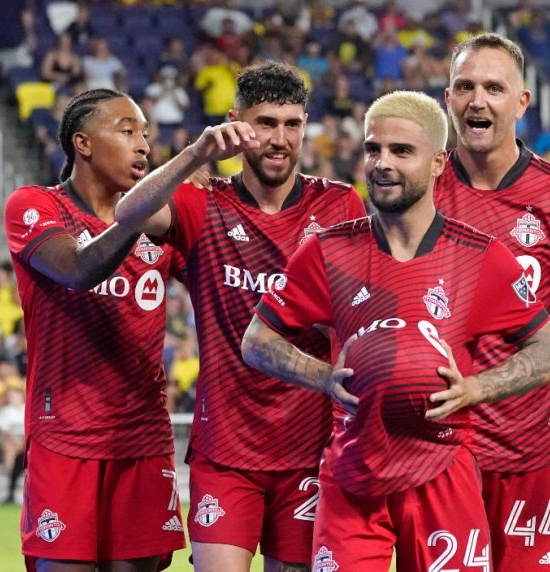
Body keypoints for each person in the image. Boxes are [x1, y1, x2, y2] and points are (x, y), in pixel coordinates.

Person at [241, 89, 550, 571]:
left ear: (437, 163)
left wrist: (478, 387)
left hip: (444, 473)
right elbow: (257, 342)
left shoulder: (481, 256)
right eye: (374, 149)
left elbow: (547, 353)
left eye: (401, 151)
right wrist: (324, 377)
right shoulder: (327, 251)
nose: (382, 163)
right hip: (353, 475)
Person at [115, 62, 366, 572]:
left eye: (292, 124)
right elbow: (128, 213)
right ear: (236, 123)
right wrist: (195, 154)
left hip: (310, 448)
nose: (280, 139)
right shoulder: (203, 199)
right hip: (226, 448)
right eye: (266, 123)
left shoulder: (338, 205)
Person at [435, 33, 550, 570]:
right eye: (464, 87)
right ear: (448, 99)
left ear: (521, 102)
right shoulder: (422, 186)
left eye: (493, 87)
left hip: (527, 453)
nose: (477, 100)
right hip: (439, 449)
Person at [4, 88, 184, 570]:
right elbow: (78, 269)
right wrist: (158, 195)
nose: (144, 145)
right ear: (82, 143)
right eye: (127, 131)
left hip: (143, 439)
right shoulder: (34, 205)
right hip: (65, 436)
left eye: (146, 134)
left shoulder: (163, 226)